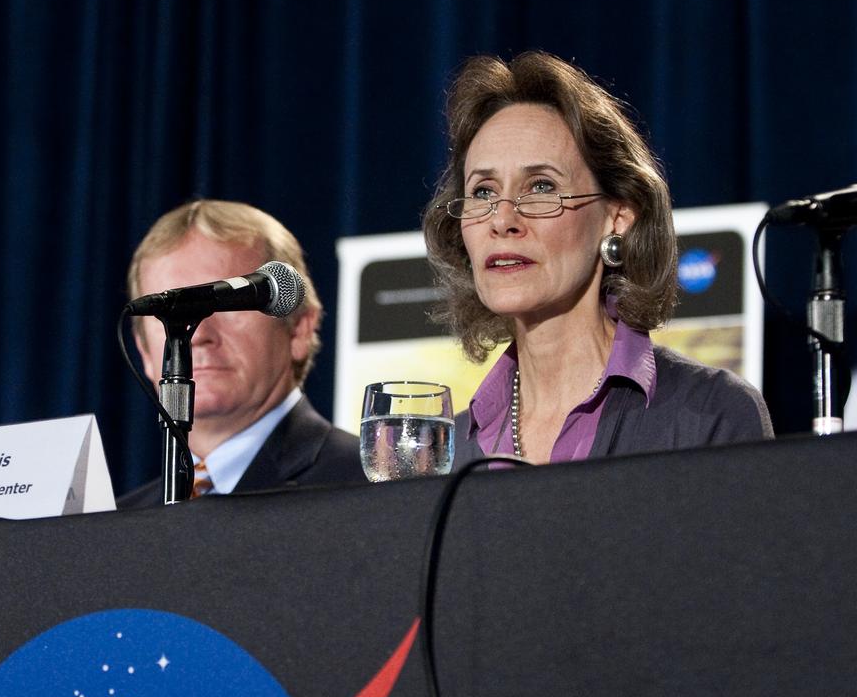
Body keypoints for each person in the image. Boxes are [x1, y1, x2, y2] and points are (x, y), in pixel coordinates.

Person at [422, 52, 773, 467]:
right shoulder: (448, 454)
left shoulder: (708, 417)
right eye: (483, 192)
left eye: (541, 187)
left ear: (617, 217)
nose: (503, 219)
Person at [117, 199, 365, 506]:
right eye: (170, 317)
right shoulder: (114, 526)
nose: (199, 336)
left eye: (226, 307)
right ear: (144, 352)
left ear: (299, 329)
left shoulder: (373, 487)